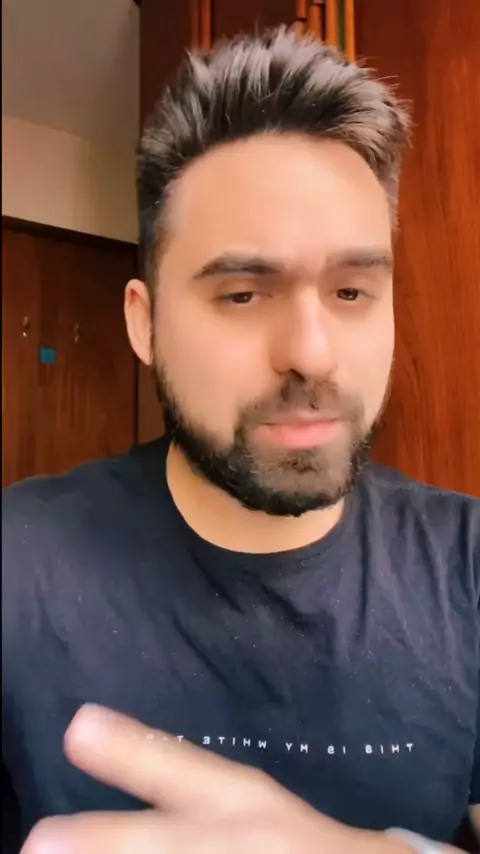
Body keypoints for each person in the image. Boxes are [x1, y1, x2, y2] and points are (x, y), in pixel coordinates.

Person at [2, 26, 479, 854]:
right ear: (145, 323)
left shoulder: (469, 568)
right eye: (243, 295)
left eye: (352, 291)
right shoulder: (18, 563)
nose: (312, 353)